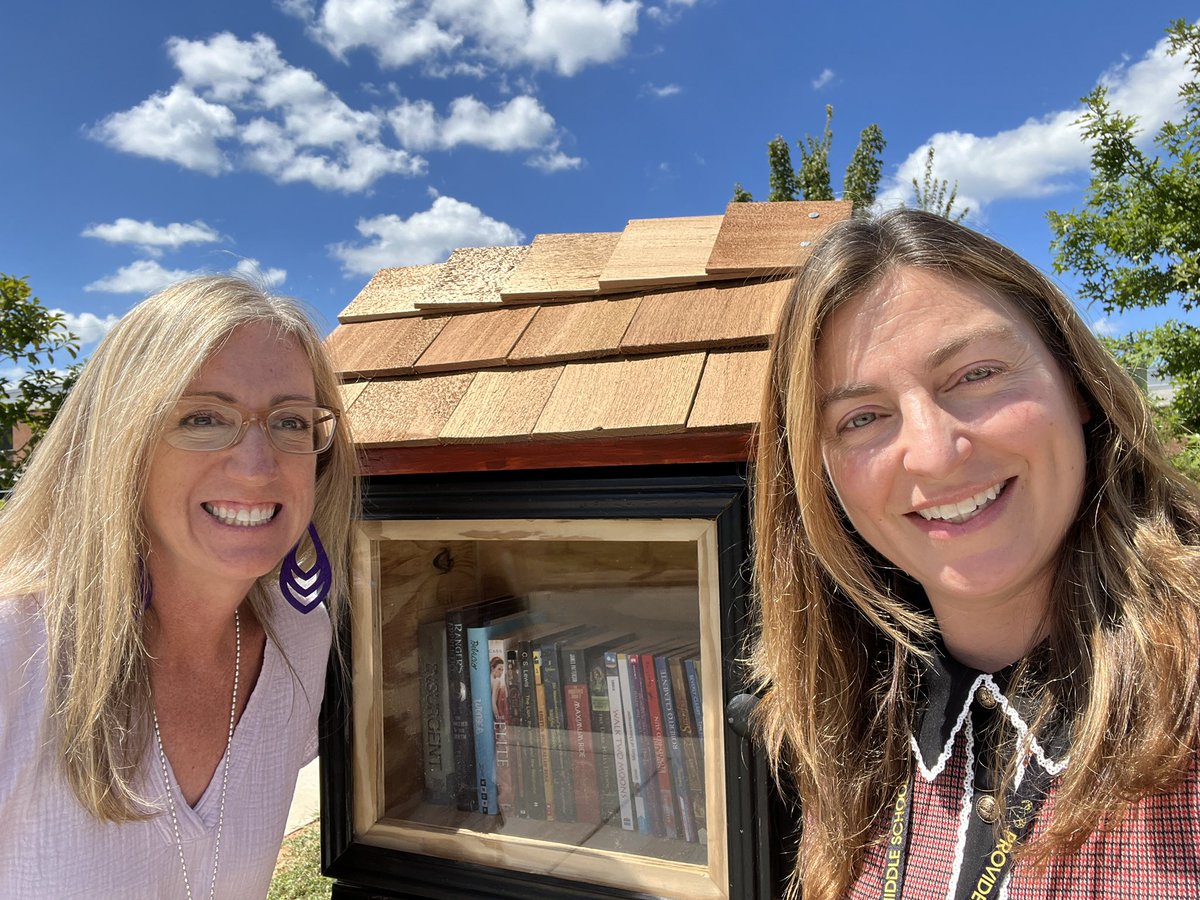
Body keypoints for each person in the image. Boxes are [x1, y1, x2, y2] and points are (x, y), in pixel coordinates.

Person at [750, 209, 1200, 899]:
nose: (933, 453)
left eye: (977, 374)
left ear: (1075, 381)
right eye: (862, 418)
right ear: (820, 476)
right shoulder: (840, 721)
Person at [0, 276, 357, 898]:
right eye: (202, 417)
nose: (257, 465)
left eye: (292, 422)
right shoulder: (15, 649)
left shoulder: (303, 634)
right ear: (121, 444)